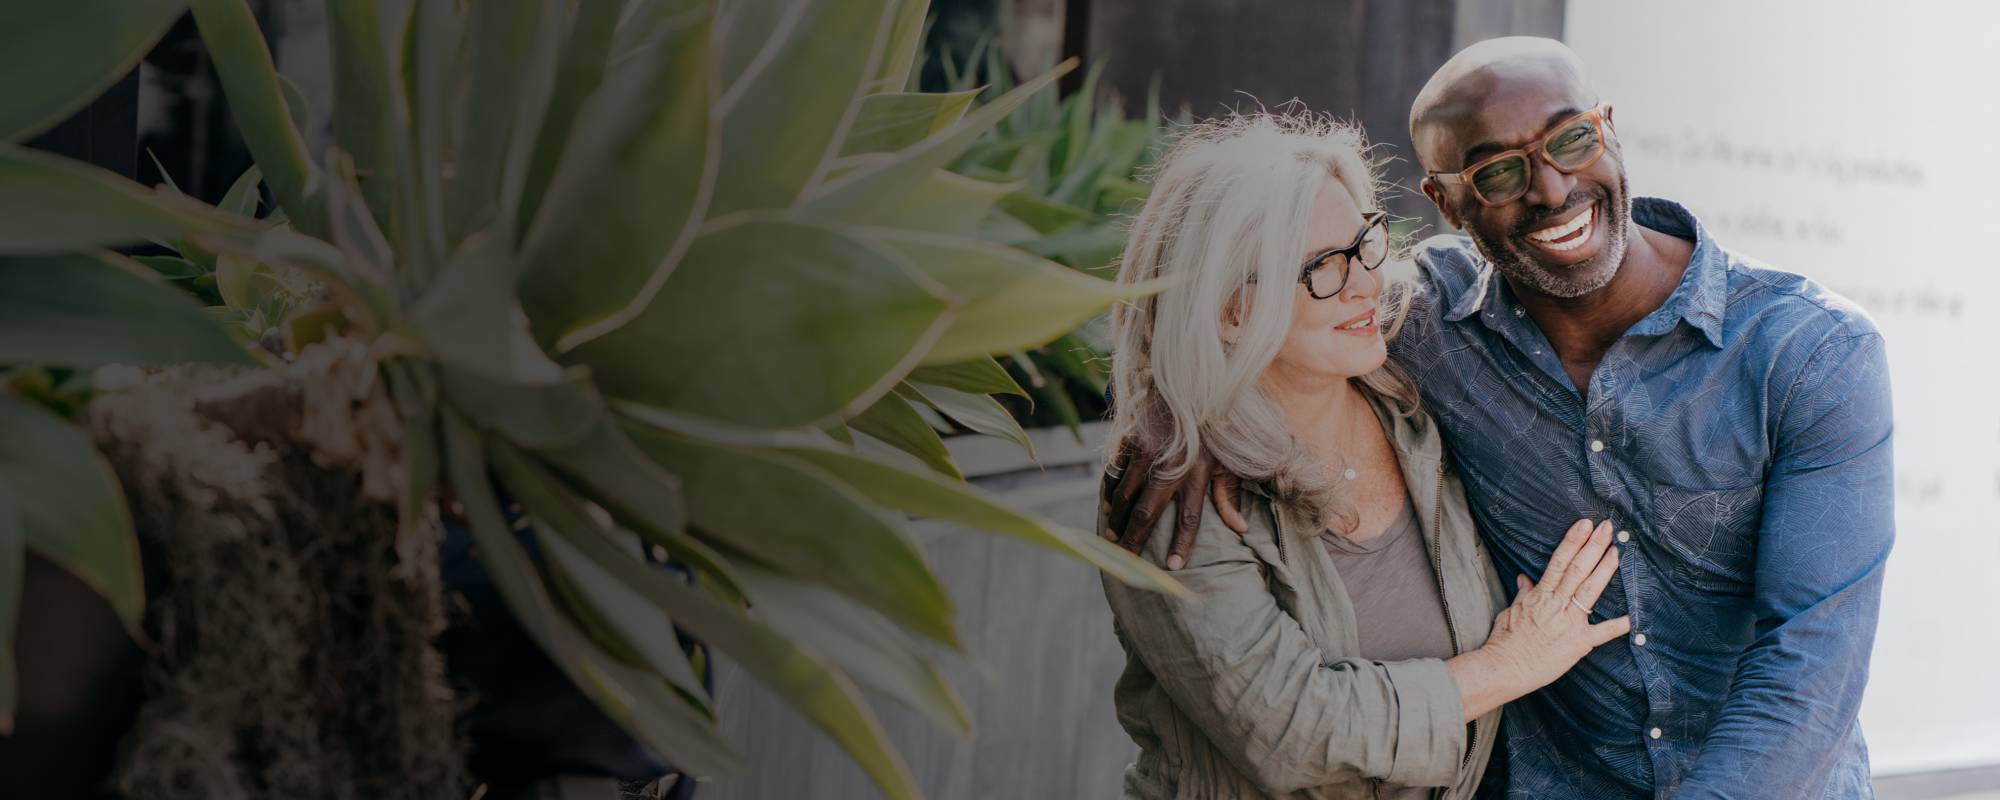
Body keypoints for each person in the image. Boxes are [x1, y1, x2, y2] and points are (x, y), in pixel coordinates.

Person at [1104, 37, 1895, 799]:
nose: (1552, 190)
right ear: (1443, 201)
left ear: (1609, 128)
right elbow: (1252, 319)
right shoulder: (1424, 327)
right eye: (1500, 172)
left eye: (1573, 139)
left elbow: (1808, 668)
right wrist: (1189, 423)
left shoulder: (1808, 356)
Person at [1097, 111, 1632, 799]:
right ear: (1229, 310)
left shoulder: (1415, 384)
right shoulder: (1176, 499)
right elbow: (1291, 733)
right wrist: (1510, 664)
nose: (1363, 285)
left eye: (1364, 242)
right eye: (1321, 267)